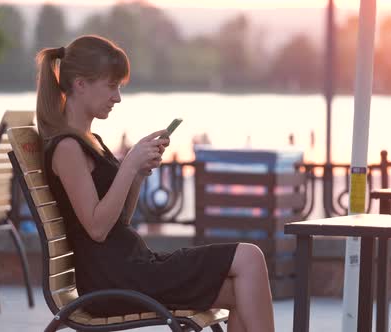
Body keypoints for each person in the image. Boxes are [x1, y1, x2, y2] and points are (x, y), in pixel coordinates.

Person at [35, 35, 274, 332]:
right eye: (111, 85)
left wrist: (136, 174)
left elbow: (117, 219)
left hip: (132, 267)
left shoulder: (89, 141)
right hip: (116, 278)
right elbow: (97, 229)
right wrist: (129, 165)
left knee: (242, 292)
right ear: (80, 84)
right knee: (249, 256)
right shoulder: (67, 147)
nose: (117, 97)